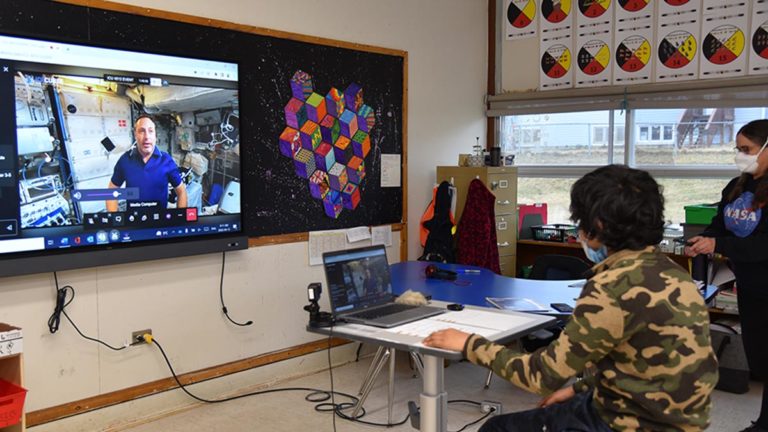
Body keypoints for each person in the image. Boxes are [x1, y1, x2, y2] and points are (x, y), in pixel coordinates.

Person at [424, 164, 718, 432]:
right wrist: (581, 389)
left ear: (598, 226)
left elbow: (541, 376)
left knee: (496, 429)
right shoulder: (674, 274)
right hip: (679, 418)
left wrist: (468, 344)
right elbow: (643, 363)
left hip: (634, 422)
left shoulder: (610, 287)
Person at [686, 119, 768, 432]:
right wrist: (704, 240)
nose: (740, 155)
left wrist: (719, 244)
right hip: (750, 286)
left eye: (746, 149)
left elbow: (764, 242)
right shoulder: (737, 187)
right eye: (738, 149)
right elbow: (719, 225)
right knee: (759, 360)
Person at [106, 115, 187, 211]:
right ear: (135, 135)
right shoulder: (125, 161)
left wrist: (180, 220)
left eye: (151, 131)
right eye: (141, 131)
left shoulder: (166, 161)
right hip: (134, 222)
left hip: (160, 222)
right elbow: (111, 191)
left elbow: (181, 192)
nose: (147, 136)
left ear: (155, 136)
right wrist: (115, 220)